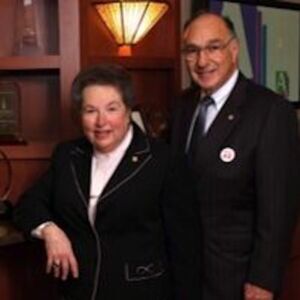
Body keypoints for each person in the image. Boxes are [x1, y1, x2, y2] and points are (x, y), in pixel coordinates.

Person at [13, 64, 200, 300]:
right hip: (79, 291)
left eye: (112, 109)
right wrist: (50, 231)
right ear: (80, 115)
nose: (101, 121)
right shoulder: (68, 155)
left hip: (141, 293)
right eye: (90, 110)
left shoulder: (165, 161)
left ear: (128, 110)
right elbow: (27, 205)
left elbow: (186, 250)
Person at [171, 11, 300, 300]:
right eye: (192, 51)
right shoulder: (182, 106)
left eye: (213, 47)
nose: (202, 61)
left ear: (234, 49)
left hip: (239, 278)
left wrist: (264, 280)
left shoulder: (270, 111)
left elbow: (278, 209)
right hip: (187, 273)